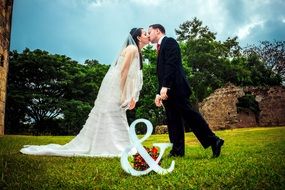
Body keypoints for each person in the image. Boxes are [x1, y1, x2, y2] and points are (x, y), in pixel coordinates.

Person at [20, 28, 150, 157]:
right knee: (112, 111)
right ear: (138, 37)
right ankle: (114, 145)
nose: (148, 35)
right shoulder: (132, 49)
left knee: (114, 112)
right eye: (145, 34)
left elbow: (132, 77)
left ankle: (113, 144)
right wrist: (123, 94)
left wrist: (131, 96)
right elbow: (124, 71)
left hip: (119, 84)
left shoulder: (137, 51)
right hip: (116, 85)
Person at [148, 24, 224, 158]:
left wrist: (166, 86)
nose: (148, 35)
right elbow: (162, 72)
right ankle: (177, 151)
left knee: (190, 116)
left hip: (176, 88)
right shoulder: (159, 47)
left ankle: (214, 140)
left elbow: (172, 64)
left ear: (158, 31)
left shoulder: (169, 42)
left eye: (150, 32)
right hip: (167, 90)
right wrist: (158, 93)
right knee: (173, 120)